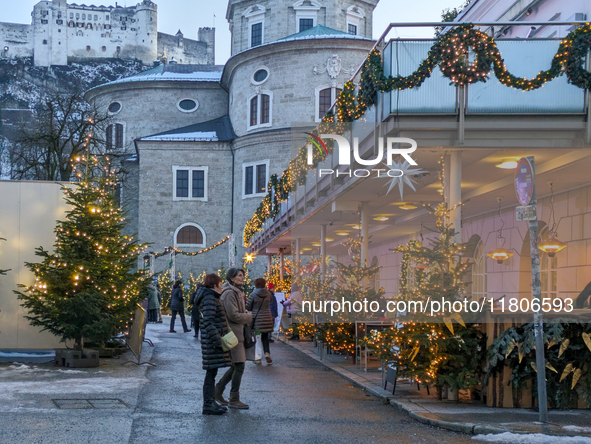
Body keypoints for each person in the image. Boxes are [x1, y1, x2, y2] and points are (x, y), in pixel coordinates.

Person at [196, 273, 232, 415]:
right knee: (211, 373)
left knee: (212, 372)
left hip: (210, 340)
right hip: (212, 342)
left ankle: (211, 401)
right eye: (220, 284)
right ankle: (208, 404)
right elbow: (209, 321)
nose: (222, 286)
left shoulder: (210, 297)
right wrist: (218, 340)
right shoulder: (210, 298)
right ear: (215, 285)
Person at [216, 268, 252, 409]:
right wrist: (249, 316)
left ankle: (218, 390)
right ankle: (233, 398)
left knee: (236, 365)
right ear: (232, 278)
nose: (243, 278)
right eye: (240, 276)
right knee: (239, 365)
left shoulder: (236, 292)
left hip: (237, 333)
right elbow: (233, 315)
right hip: (234, 333)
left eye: (243, 275)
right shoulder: (230, 293)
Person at [246, 278, 275, 364]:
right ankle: (267, 353)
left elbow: (248, 306)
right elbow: (271, 301)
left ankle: (257, 358)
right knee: (265, 337)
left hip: (257, 319)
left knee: (257, 339)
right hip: (267, 318)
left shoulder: (253, 294)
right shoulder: (269, 294)